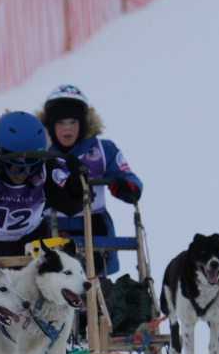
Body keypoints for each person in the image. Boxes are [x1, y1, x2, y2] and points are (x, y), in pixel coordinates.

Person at [0, 111, 87, 262]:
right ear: (0, 153)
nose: (23, 173)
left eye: (31, 165)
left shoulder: (47, 168)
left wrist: (76, 184)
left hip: (29, 243)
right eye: (16, 166)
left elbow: (70, 207)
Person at [36, 84, 143, 275]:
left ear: (83, 123)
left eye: (73, 122)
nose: (67, 129)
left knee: (92, 283)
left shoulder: (103, 149)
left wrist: (126, 187)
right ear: (50, 125)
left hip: (93, 224)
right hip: (48, 223)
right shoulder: (39, 151)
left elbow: (129, 179)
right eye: (61, 123)